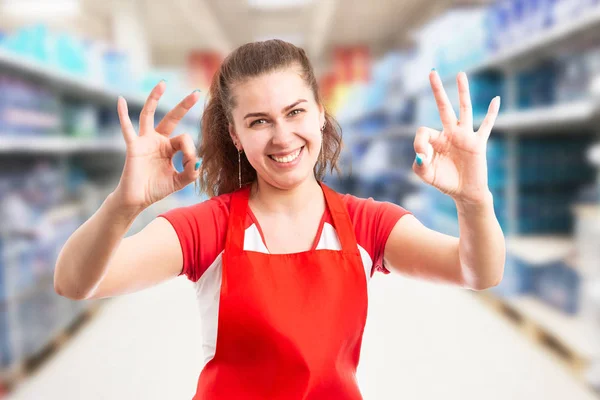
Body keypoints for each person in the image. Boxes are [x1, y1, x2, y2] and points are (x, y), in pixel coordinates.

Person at [54, 39, 506, 399]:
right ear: (234, 135)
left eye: (295, 112)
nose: (283, 136)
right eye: (258, 121)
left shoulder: (367, 224)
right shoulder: (207, 229)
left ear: (321, 115)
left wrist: (474, 200)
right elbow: (76, 283)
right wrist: (123, 204)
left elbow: (478, 271)